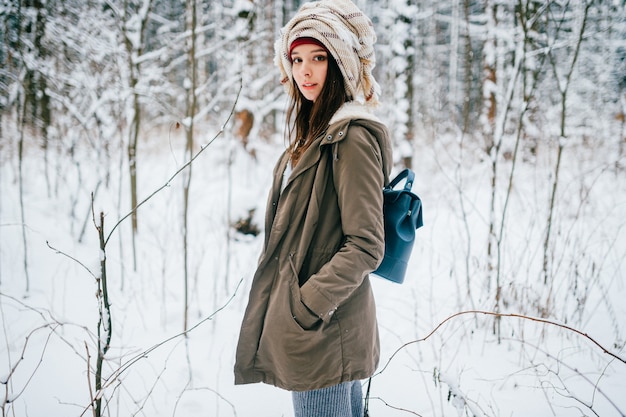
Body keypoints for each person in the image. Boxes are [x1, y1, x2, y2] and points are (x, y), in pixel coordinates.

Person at [234, 1, 392, 416]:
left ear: (338, 62)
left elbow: (366, 244)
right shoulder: (314, 135)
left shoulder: (351, 139)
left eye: (318, 58)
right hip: (317, 328)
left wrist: (306, 306)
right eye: (297, 59)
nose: (305, 71)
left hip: (322, 332)